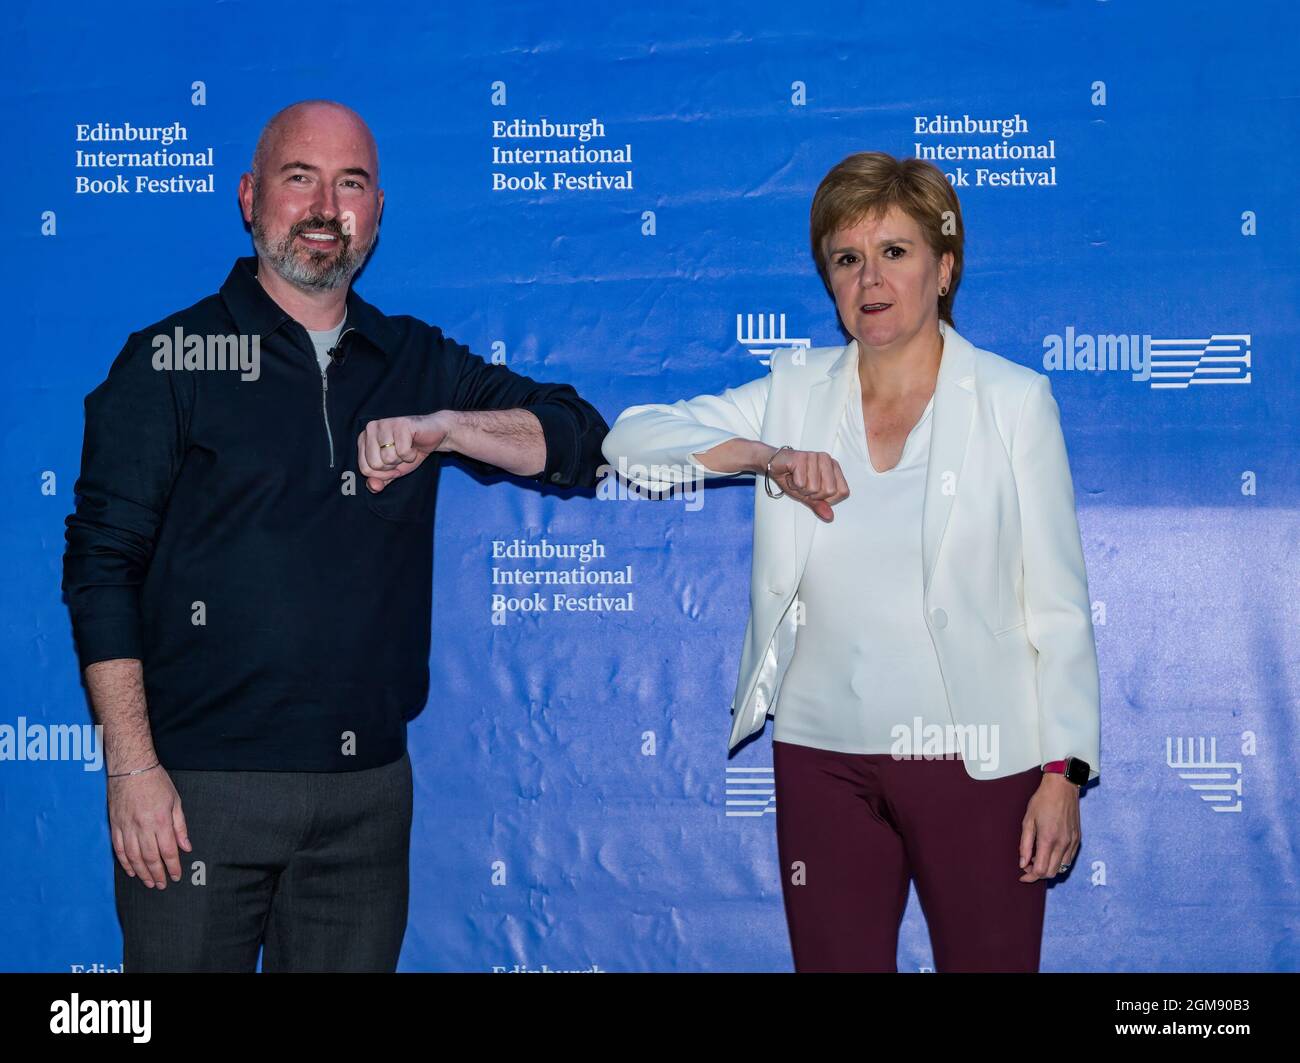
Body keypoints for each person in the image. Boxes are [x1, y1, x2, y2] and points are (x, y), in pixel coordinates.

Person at [62, 99, 608, 972]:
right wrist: (131, 770)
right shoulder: (168, 359)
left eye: (350, 183)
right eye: (300, 178)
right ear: (250, 197)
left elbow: (579, 438)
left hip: (366, 801)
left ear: (377, 212)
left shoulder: (415, 359)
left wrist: (450, 427)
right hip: (196, 794)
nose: (325, 206)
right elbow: (99, 569)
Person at [601, 151, 1100, 972]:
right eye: (847, 258)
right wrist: (767, 454)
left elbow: (1059, 601)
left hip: (980, 758)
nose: (870, 277)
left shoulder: (1014, 400)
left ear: (944, 269)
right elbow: (630, 444)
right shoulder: (795, 392)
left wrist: (1063, 775)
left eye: (895, 252)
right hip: (822, 755)